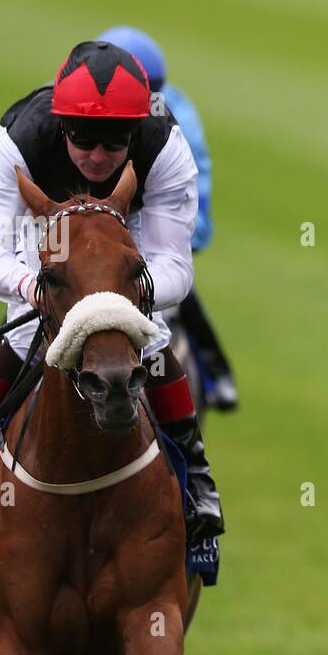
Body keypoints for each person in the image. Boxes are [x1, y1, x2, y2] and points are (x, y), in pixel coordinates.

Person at [0, 40, 224, 541]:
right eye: (83, 139)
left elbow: (174, 267)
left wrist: (120, 295)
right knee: (25, 332)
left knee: (156, 331)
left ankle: (197, 474)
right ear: (61, 126)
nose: (98, 157)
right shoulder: (18, 140)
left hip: (128, 228)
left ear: (135, 132)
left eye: (115, 142)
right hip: (49, 230)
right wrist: (34, 289)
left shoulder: (163, 146)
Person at [98, 26, 238, 411]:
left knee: (178, 292)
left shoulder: (178, 120)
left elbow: (196, 195)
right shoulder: (71, 103)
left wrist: (183, 238)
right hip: (89, 237)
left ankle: (214, 369)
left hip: (151, 237)